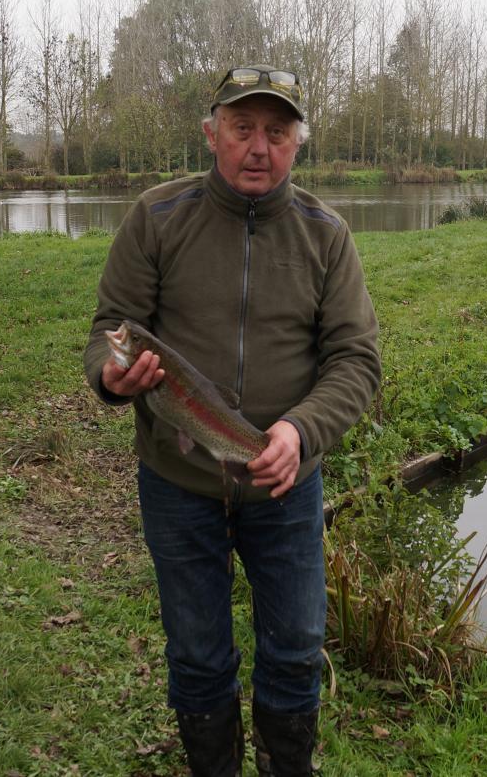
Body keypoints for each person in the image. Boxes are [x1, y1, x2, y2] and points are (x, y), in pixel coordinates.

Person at [83, 64, 381, 776]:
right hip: (178, 480)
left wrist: (299, 433)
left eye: (276, 133)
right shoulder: (156, 217)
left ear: (297, 146)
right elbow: (109, 331)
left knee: (296, 644)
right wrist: (112, 376)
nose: (258, 147)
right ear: (211, 132)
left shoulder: (326, 236)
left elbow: (356, 361)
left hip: (283, 483)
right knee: (196, 650)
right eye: (243, 128)